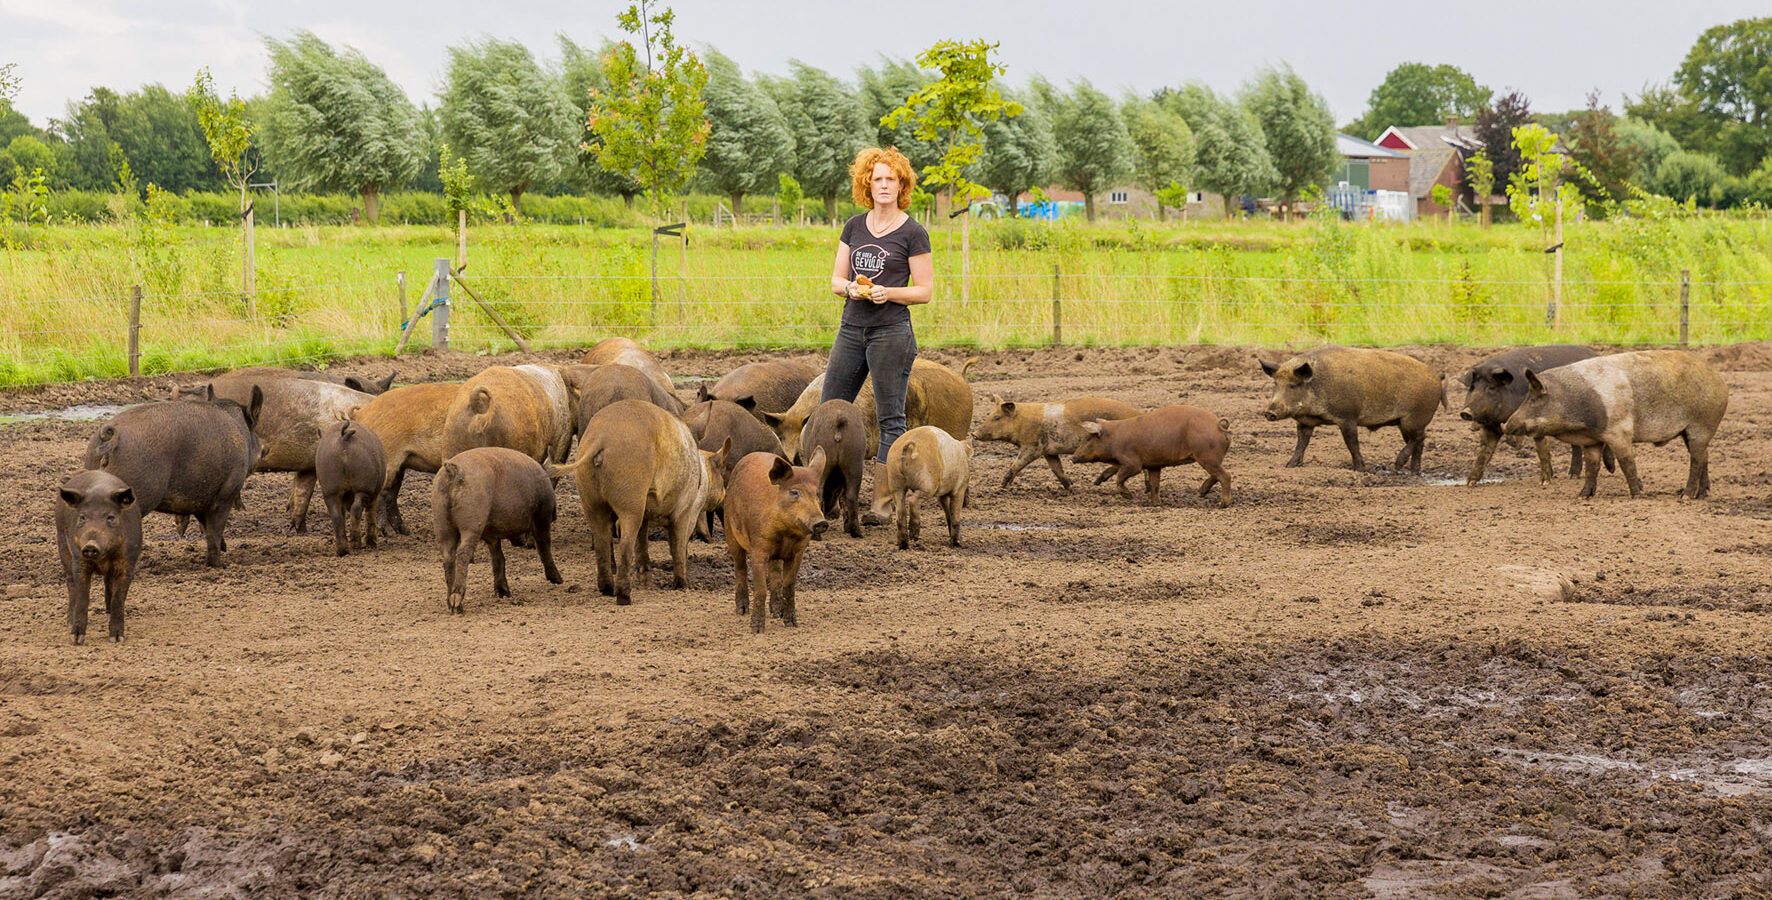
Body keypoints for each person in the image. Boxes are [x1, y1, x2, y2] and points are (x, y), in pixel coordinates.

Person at [824, 147, 933, 522]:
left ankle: (882, 505)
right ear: (866, 184)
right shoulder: (854, 226)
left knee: (890, 418)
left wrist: (892, 293)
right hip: (852, 327)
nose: (884, 185)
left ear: (902, 185)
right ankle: (827, 498)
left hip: (891, 332)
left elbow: (924, 291)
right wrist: (849, 288)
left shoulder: (913, 232)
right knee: (830, 411)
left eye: (891, 179)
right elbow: (837, 279)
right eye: (878, 179)